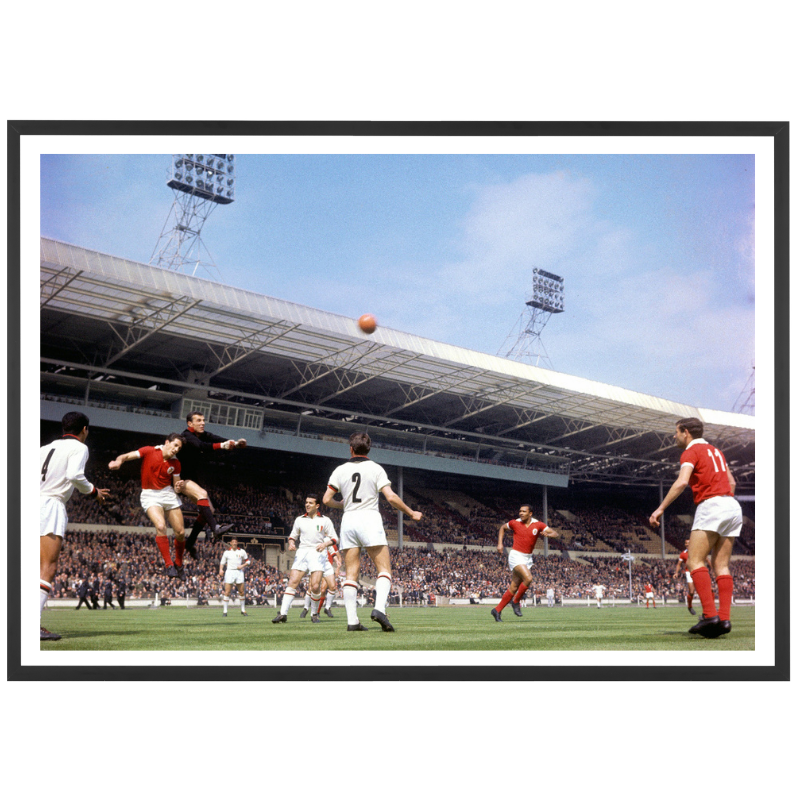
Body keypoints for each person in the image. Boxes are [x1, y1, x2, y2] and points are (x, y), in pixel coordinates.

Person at [649, 417, 742, 638]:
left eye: (676, 432)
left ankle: (710, 616)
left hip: (711, 505)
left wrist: (660, 509)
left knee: (694, 560)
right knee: (722, 565)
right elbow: (733, 483)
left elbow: (682, 482)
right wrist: (725, 502)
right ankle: (724, 619)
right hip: (732, 505)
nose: (674, 436)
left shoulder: (690, 451)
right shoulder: (716, 451)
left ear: (686, 432)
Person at [323, 432, 422, 632]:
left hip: (349, 520)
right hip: (369, 518)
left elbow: (326, 500)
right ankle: (378, 609)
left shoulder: (340, 470)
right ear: (369, 449)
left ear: (350, 449)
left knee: (351, 573)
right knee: (384, 569)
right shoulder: (376, 468)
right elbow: (391, 497)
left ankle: (352, 622)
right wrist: (411, 513)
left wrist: (342, 504)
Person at [40, 411, 110, 640]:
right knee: (47, 567)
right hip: (50, 505)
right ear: (84, 430)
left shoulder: (44, 448)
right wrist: (93, 491)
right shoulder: (79, 447)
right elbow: (74, 475)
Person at [108, 433, 188, 579]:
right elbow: (125, 456)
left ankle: (179, 563)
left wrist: (179, 486)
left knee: (181, 533)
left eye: (179, 448)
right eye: (175, 445)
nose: (176, 449)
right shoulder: (149, 451)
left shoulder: (176, 464)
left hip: (168, 494)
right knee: (161, 526)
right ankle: (169, 565)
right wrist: (118, 462)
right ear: (166, 442)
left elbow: (176, 486)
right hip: (150, 494)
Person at [179, 413, 242, 557]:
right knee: (203, 495)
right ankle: (215, 528)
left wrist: (235, 444)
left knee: (209, 510)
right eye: (198, 421)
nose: (202, 423)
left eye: (203, 420)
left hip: (191, 478)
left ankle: (190, 543)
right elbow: (201, 446)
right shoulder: (187, 436)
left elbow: (216, 438)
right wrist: (223, 446)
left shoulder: (202, 434)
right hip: (179, 478)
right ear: (190, 424)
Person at [273, 493, 338, 624]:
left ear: (317, 505)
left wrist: (325, 544)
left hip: (318, 552)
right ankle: (283, 614)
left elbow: (335, 539)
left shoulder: (325, 520)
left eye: (311, 503)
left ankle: (314, 614)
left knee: (315, 586)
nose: (307, 505)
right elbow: (292, 536)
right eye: (306, 502)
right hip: (302, 552)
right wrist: (291, 543)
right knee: (293, 582)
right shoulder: (299, 519)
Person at [491, 505, 558, 621]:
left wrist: (548, 534)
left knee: (514, 587)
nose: (521, 513)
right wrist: (499, 544)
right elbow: (502, 528)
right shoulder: (514, 523)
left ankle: (496, 610)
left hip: (527, 558)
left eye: (524, 511)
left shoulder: (538, 524)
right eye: (520, 511)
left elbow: (555, 533)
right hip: (516, 555)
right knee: (528, 578)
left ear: (530, 513)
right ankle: (516, 602)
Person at [219, 537, 251, 616]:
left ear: (237, 543)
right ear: (230, 543)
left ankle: (243, 610)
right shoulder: (227, 552)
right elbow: (222, 562)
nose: (234, 543)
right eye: (233, 542)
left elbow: (248, 561)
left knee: (241, 592)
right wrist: (221, 570)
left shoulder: (242, 551)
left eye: (235, 542)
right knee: (227, 592)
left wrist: (242, 566)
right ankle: (225, 611)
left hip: (239, 572)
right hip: (230, 572)